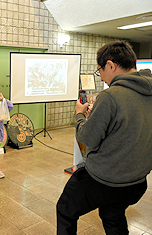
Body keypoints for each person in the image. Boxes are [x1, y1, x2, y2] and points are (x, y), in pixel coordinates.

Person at [57, 40, 152, 234]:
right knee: (112, 215)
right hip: (137, 181)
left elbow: (88, 139)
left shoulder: (110, 96)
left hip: (104, 180)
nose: (101, 77)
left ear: (111, 65)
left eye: (100, 70)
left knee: (65, 210)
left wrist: (80, 115)